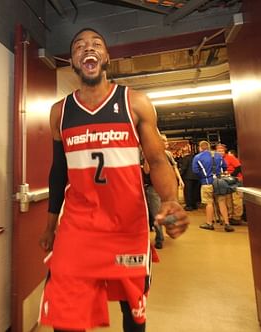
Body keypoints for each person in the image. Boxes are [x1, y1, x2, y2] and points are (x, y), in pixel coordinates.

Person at [38, 28, 190, 332]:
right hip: (79, 227)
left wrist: (171, 201)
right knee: (65, 313)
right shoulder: (60, 112)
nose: (88, 48)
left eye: (96, 44)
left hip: (127, 226)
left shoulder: (135, 103)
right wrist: (51, 224)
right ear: (73, 61)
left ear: (106, 57)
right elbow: (59, 171)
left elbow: (158, 160)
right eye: (79, 46)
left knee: (132, 312)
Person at [192, 141, 234, 232]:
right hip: (219, 182)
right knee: (222, 202)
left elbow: (195, 171)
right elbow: (225, 166)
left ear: (200, 148)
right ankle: (227, 223)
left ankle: (209, 223)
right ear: (209, 147)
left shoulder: (197, 157)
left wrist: (203, 176)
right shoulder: (218, 155)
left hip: (206, 182)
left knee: (209, 203)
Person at [216, 144, 244, 225]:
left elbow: (239, 167)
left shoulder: (230, 157)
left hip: (236, 179)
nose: (220, 152)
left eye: (222, 150)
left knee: (236, 199)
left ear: (224, 151)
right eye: (218, 151)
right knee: (228, 199)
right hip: (226, 181)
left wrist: (231, 176)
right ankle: (230, 216)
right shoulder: (218, 159)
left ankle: (237, 217)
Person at [179, 145, 201, 210]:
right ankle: (194, 205)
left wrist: (179, 175)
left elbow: (184, 168)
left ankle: (189, 206)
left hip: (188, 177)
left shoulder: (185, 158)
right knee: (195, 191)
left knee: (188, 192)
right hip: (196, 176)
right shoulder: (195, 157)